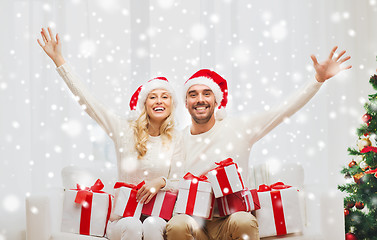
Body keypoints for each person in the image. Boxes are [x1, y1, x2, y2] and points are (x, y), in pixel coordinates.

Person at [166, 46, 352, 240]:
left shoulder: (238, 128)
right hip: (195, 221)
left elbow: (282, 111)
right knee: (177, 225)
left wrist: (317, 81)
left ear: (216, 100)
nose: (200, 100)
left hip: (230, 220)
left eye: (206, 93)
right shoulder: (178, 139)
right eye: (193, 94)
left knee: (243, 221)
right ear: (186, 103)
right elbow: (169, 180)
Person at [37, 27, 184, 240]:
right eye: (153, 97)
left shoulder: (176, 139)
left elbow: (179, 182)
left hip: (157, 217)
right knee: (133, 226)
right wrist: (59, 60)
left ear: (171, 105)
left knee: (152, 225)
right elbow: (89, 102)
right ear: (144, 104)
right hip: (123, 219)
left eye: (165, 96)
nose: (159, 100)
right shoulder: (124, 129)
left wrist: (161, 182)